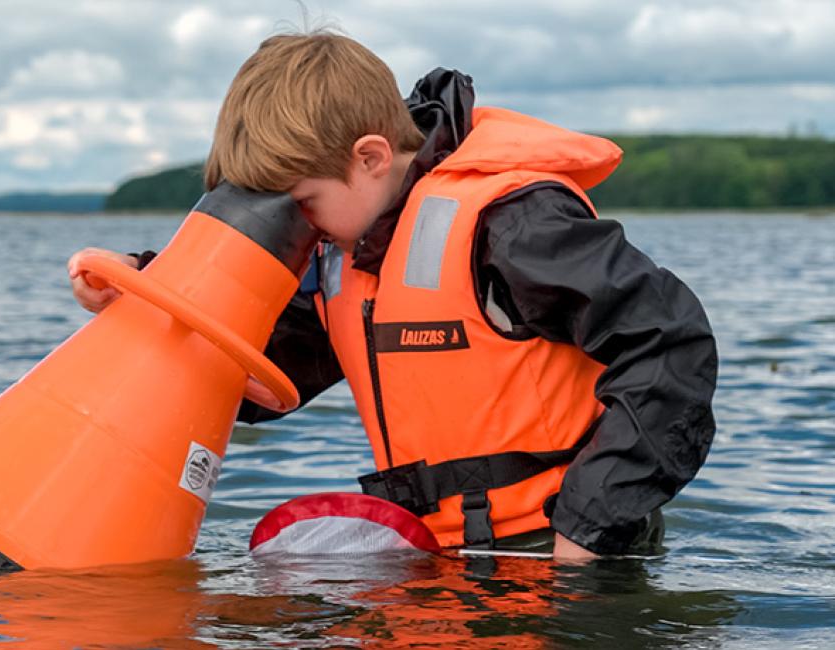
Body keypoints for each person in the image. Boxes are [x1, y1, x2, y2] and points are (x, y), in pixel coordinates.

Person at [68, 30, 717, 560]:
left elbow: (673, 347)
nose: (295, 229)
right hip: (449, 559)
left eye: (302, 204)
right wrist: (150, 298)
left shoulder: (513, 227)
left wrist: (592, 523)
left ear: (372, 156)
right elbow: (253, 370)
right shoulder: (339, 257)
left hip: (573, 552)